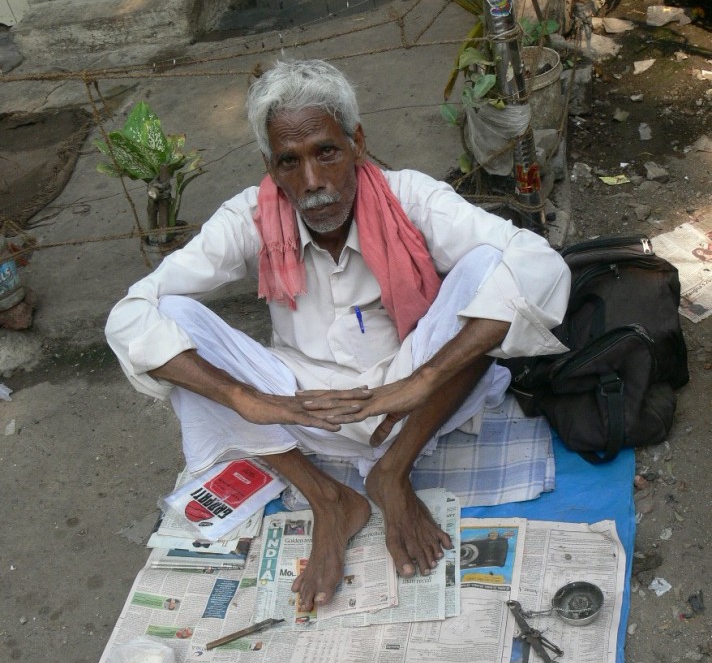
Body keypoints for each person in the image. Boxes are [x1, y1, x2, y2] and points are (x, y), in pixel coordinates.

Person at [106, 59, 570, 611]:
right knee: (170, 318)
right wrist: (246, 399)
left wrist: (420, 381)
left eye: (326, 151)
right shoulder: (250, 218)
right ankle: (327, 497)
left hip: (409, 407)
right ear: (270, 167)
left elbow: (540, 267)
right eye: (290, 161)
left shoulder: (410, 197)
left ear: (356, 142)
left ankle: (392, 473)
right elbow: (130, 315)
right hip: (300, 412)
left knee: (491, 270)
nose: (312, 182)